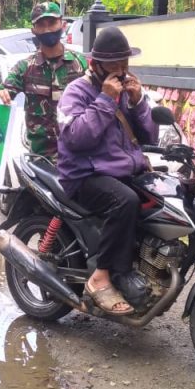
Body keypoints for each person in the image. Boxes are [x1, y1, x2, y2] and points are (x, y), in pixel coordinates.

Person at [57, 24, 157, 315]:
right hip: (84, 175)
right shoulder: (76, 92)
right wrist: (104, 99)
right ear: (95, 64)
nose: (121, 70)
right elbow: (76, 138)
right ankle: (102, 276)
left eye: (124, 63)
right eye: (113, 64)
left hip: (121, 171)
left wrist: (138, 104)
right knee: (125, 200)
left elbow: (150, 137)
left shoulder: (127, 92)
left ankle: (147, 264)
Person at [0, 1, 86, 160]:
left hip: (79, 156)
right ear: (33, 30)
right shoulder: (24, 68)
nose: (47, 29)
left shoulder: (81, 63)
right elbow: (0, 94)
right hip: (42, 159)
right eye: (41, 25)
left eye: (52, 23)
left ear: (62, 24)